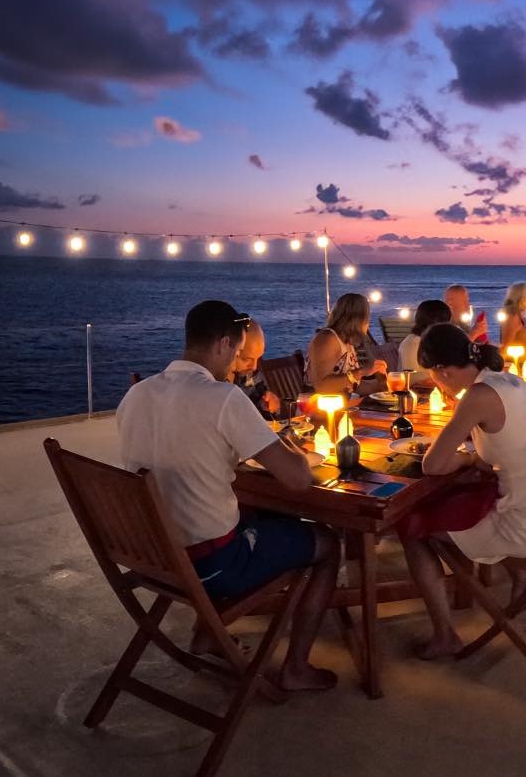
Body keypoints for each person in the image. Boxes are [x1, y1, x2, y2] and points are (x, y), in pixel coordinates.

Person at [117, 300, 339, 691]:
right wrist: (288, 447)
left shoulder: (136, 395)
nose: (237, 363)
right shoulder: (222, 397)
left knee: (267, 516)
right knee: (328, 543)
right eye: (237, 352)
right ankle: (296, 668)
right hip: (213, 566)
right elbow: (297, 480)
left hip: (153, 556)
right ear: (223, 344)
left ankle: (208, 635)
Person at [400, 323, 526, 660]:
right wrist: (471, 458)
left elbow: (432, 465)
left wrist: (465, 459)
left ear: (443, 371)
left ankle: (445, 635)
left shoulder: (478, 396)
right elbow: (502, 448)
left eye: (434, 376)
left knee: (413, 531)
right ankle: (520, 575)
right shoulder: (510, 380)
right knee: (470, 499)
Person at [305, 293, 388, 394]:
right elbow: (321, 386)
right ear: (358, 319)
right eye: (367, 318)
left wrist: (382, 388)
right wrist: (362, 371)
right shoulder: (328, 339)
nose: (368, 323)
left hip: (346, 402)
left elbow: (352, 386)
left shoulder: (347, 342)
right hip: (318, 403)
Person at [228, 318, 280, 419]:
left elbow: (260, 401)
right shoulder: (211, 383)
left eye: (258, 358)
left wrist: (267, 405)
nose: (254, 366)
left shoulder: (251, 374)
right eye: (247, 359)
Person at [399, 299, 453, 385]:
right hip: (417, 389)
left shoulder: (414, 339)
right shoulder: (417, 343)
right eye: (447, 322)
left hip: (416, 387)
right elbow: (413, 377)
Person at [499, 280, 526, 356]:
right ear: (523, 299)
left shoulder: (518, 315)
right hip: (516, 361)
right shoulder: (512, 317)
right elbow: (506, 347)